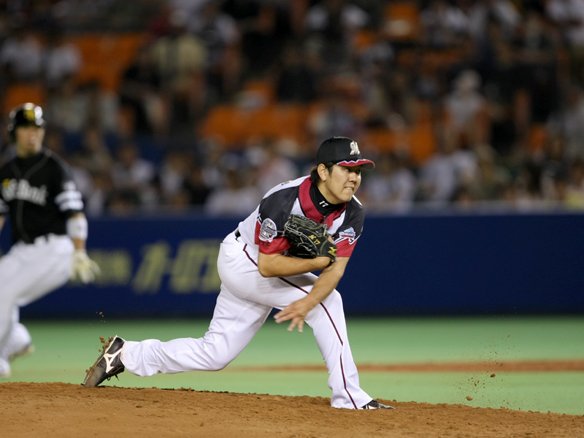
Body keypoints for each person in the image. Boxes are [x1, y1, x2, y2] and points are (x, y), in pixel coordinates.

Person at [83, 136, 392, 410]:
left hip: (268, 270)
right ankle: (349, 396)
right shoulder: (285, 200)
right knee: (330, 303)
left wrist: (310, 299)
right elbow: (268, 266)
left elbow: (335, 271)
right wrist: (316, 270)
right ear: (323, 171)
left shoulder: (353, 212)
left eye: (358, 170)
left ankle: (124, 354)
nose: (354, 177)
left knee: (215, 353)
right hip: (245, 260)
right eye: (346, 169)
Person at [0, 103, 100, 377]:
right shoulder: (6, 171)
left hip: (54, 249)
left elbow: (75, 213)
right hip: (22, 251)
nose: (32, 133)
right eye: (25, 128)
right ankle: (17, 340)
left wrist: (79, 251)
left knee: (6, 293)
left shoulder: (54, 168)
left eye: (37, 128)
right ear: (14, 133)